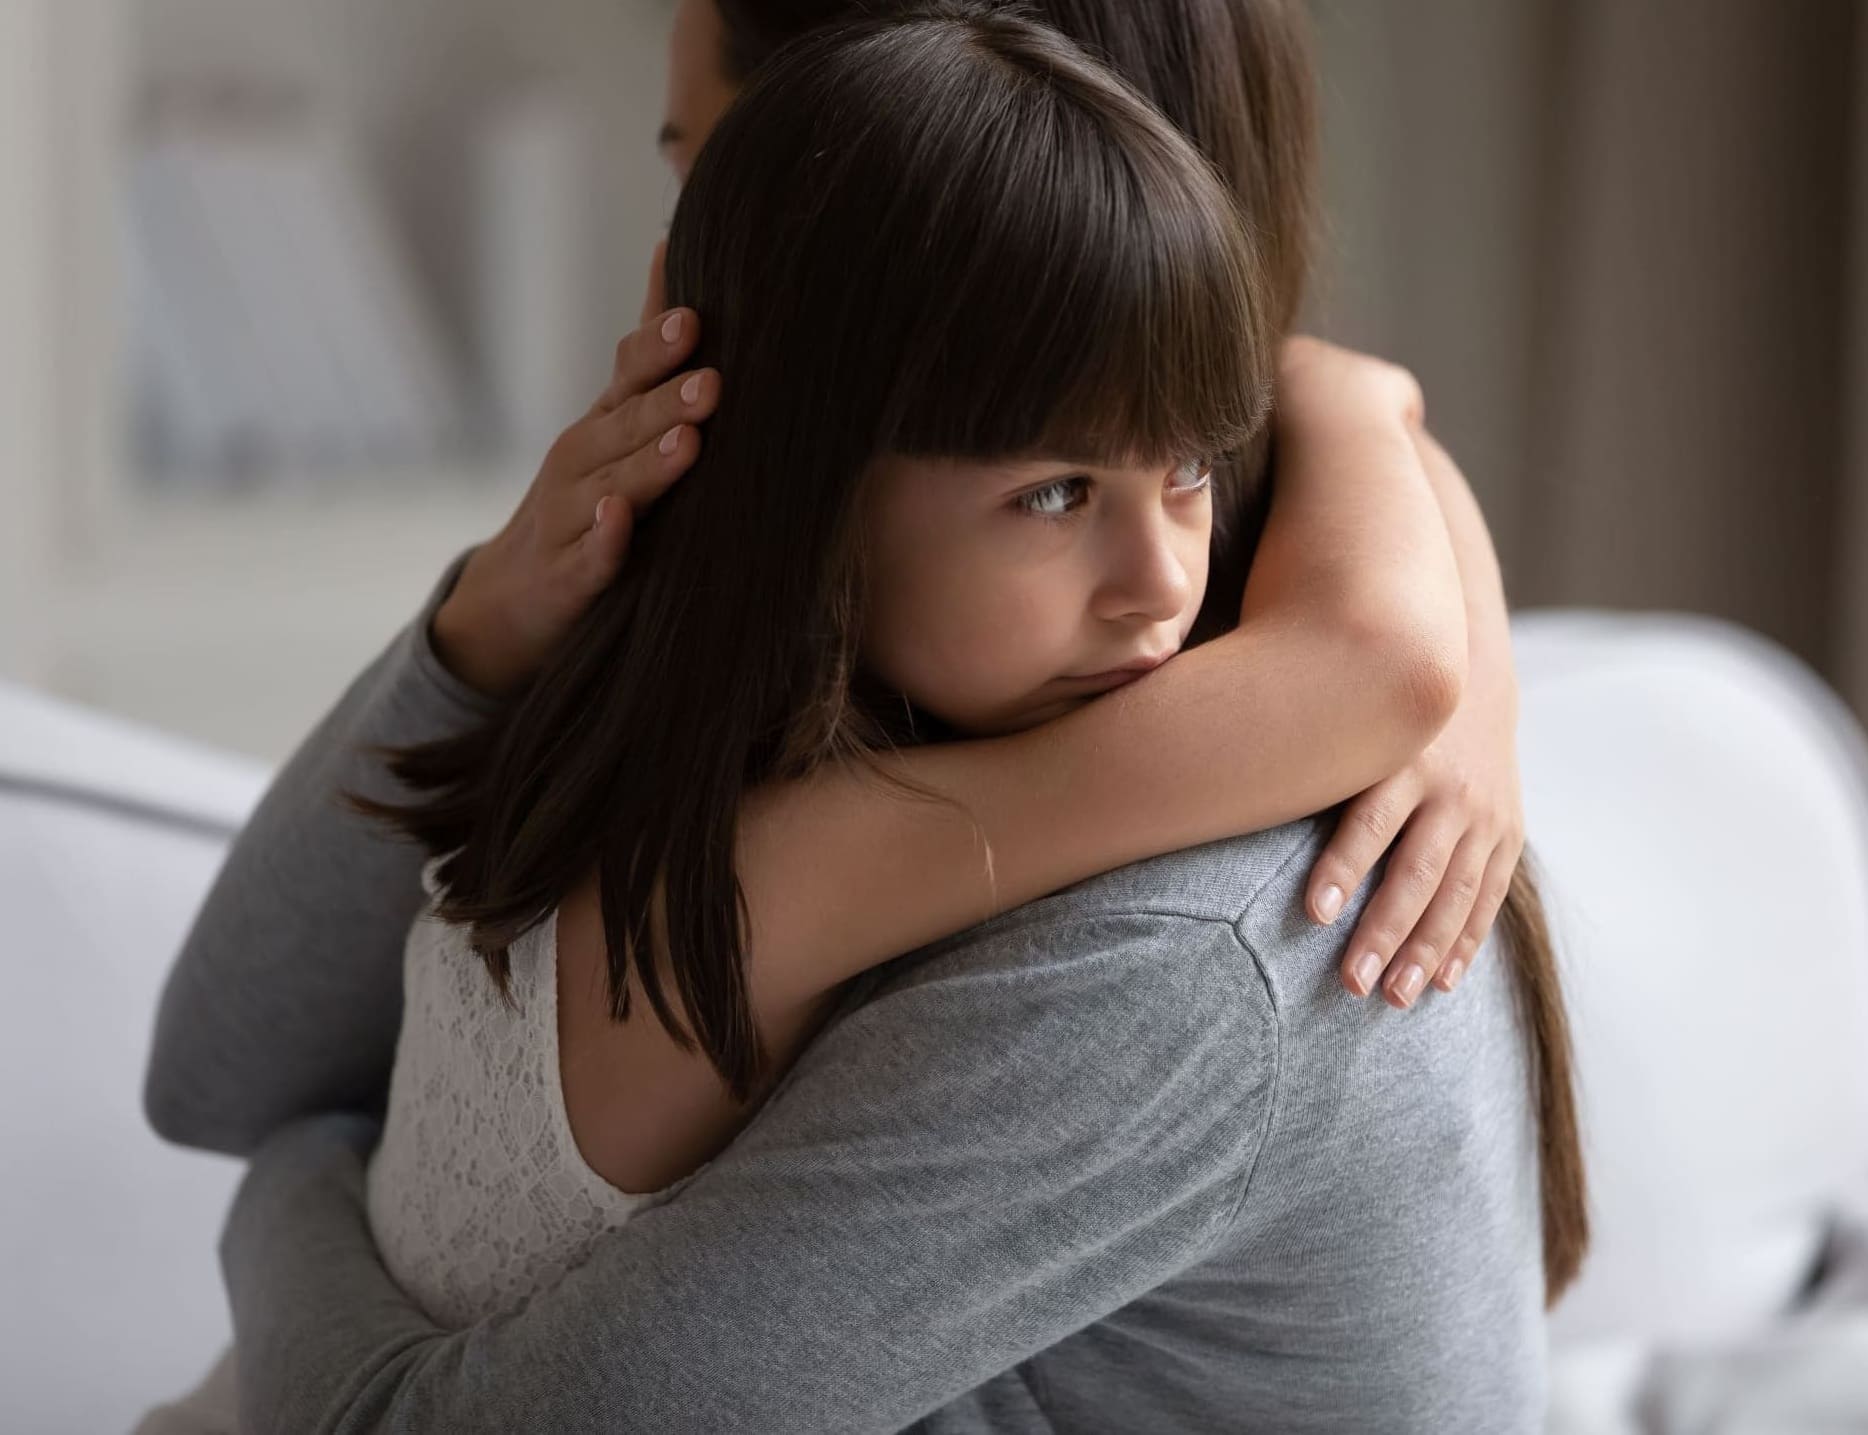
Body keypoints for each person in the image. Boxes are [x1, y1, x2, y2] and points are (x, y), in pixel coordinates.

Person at [142, 2, 1583, 1431]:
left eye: (705, 169)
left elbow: (282, 1141)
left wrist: (293, 1187)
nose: (668, 278)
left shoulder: (1167, 938)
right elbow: (224, 1063)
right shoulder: (814, 739)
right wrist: (490, 621)